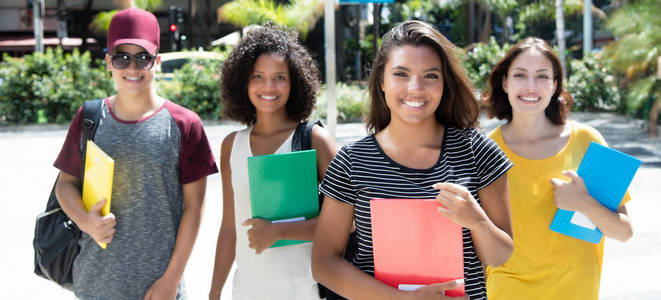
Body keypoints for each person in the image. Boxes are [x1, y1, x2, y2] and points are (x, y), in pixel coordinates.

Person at [311, 20, 514, 300]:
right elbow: (324, 263)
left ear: (445, 83)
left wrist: (477, 221)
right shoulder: (351, 161)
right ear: (382, 81)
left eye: (430, 75)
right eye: (401, 74)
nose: (416, 88)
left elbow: (500, 255)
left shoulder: (479, 151)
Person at [53, 8, 218, 299]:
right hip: (94, 283)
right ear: (108, 63)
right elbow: (65, 185)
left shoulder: (185, 124)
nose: (132, 68)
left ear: (158, 62)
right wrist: (85, 221)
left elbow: (195, 209)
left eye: (143, 57)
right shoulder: (90, 117)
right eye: (122, 57)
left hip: (159, 288)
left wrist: (172, 280)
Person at [482, 37, 634, 300]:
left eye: (542, 76)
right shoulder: (485, 150)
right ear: (505, 82)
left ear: (555, 86)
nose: (531, 86)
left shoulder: (589, 141)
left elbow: (624, 232)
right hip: (506, 290)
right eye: (520, 75)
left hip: (576, 291)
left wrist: (584, 203)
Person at [207, 24, 337, 300]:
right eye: (258, 76)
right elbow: (229, 228)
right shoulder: (232, 144)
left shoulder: (314, 139)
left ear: (295, 82)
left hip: (306, 291)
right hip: (246, 292)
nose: (268, 86)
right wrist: (214, 291)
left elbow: (348, 221)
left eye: (280, 77)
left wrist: (279, 231)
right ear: (243, 81)